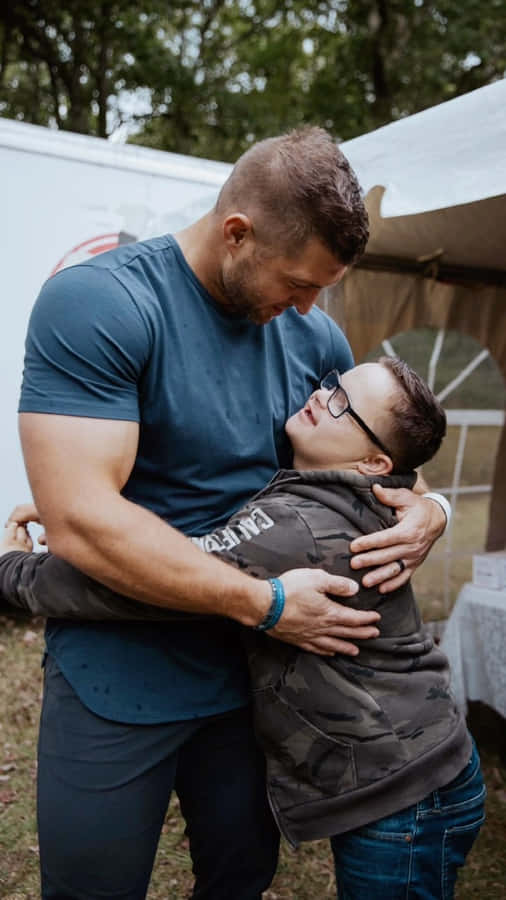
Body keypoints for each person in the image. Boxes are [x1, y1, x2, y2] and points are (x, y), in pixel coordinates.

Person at [14, 126, 449, 899]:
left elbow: (362, 464)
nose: (311, 308)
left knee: (239, 879)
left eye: (324, 289)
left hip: (255, 685)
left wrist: (431, 506)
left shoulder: (310, 331)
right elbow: (80, 520)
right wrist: (267, 601)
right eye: (299, 282)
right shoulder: (101, 302)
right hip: (119, 674)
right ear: (237, 233)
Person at [1, 357, 483, 899]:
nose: (322, 397)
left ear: (372, 461)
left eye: (343, 405)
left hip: (405, 792)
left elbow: (150, 580)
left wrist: (13, 572)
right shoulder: (355, 496)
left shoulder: (294, 527)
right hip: (417, 768)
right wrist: (434, 505)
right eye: (331, 386)